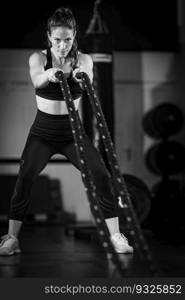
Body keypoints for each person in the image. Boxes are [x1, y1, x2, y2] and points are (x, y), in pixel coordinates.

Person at [0, 7, 133, 256]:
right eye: (58, 40)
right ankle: (11, 238)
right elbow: (37, 80)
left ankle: (116, 235)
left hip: (73, 134)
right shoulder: (38, 59)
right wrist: (49, 74)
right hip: (42, 133)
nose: (62, 45)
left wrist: (83, 78)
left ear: (75, 37)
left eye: (68, 39)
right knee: (24, 179)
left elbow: (89, 79)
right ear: (49, 36)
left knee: (101, 176)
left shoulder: (84, 60)